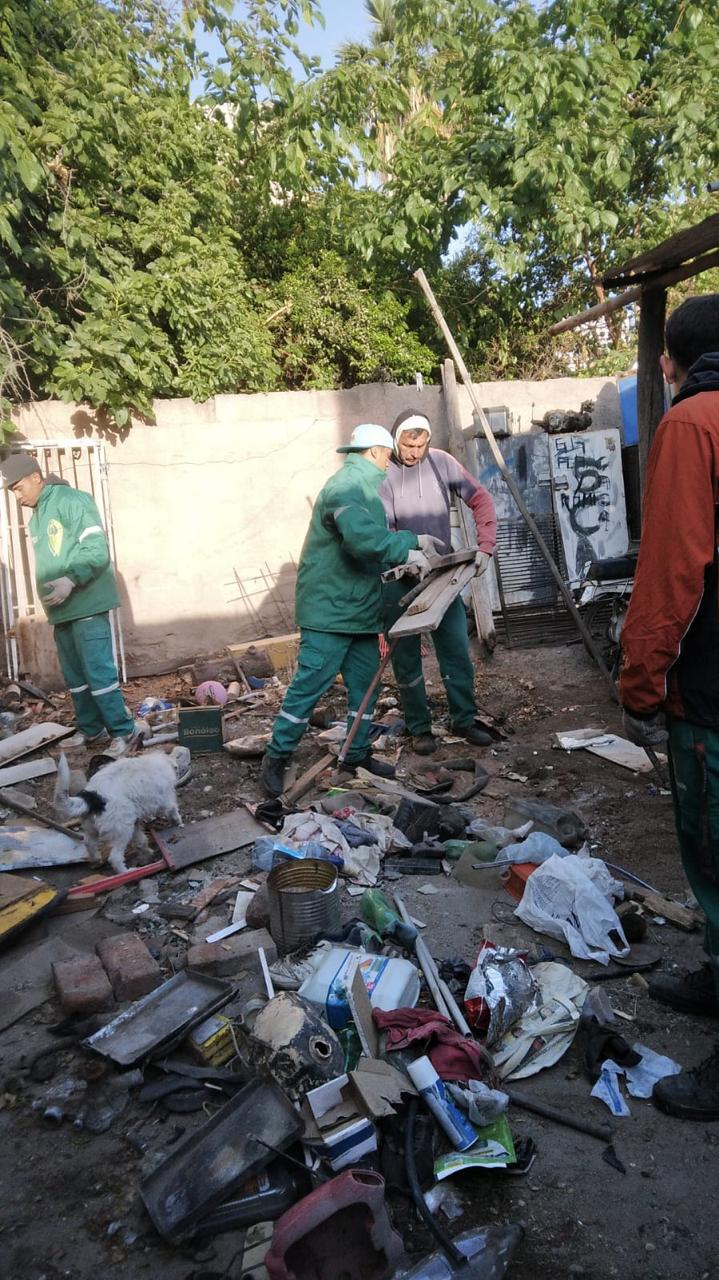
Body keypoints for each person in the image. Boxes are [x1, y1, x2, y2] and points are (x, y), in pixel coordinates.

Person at [620, 293, 719, 1121]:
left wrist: (641, 681)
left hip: (713, 692)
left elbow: (671, 574)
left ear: (668, 361)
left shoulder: (692, 424)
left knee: (716, 861)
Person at [260, 424, 435, 798]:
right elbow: (363, 541)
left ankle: (356, 754)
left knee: (366, 688)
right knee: (309, 687)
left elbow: (366, 544)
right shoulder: (348, 488)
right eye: (388, 455)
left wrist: (407, 549)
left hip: (356, 611)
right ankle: (276, 757)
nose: (390, 464)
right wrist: (409, 546)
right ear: (374, 452)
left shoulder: (362, 489)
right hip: (330, 613)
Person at [0, 452, 137, 754]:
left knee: (99, 674)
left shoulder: (70, 500)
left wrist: (71, 579)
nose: (17, 496)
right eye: (12, 492)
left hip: (85, 605)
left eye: (19, 487)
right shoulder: (39, 514)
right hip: (63, 611)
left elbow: (96, 547)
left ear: (36, 477)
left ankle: (123, 733)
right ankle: (92, 731)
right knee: (76, 678)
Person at [379, 409, 497, 753]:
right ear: (394, 439)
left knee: (456, 650)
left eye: (420, 444)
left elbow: (481, 499)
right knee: (406, 658)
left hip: (442, 576)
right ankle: (419, 728)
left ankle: (464, 719)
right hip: (401, 578)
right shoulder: (383, 475)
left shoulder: (441, 463)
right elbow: (381, 530)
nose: (414, 452)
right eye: (407, 444)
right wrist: (407, 557)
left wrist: (485, 546)